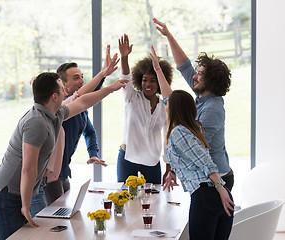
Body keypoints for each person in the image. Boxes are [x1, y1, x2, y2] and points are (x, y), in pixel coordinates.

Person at [0, 72, 128, 240]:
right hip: (6, 197)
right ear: (54, 96)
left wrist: (110, 89)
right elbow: (28, 168)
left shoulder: (54, 114)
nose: (66, 93)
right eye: (62, 89)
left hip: (19, 194)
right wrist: (26, 205)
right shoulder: (36, 122)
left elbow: (82, 103)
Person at [30, 46, 117, 217]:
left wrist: (93, 153)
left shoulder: (79, 111)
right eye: (76, 78)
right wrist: (103, 75)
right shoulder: (59, 110)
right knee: (56, 219)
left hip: (63, 173)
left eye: (83, 77)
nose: (82, 81)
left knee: (69, 215)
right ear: (63, 85)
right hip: (49, 176)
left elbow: (90, 132)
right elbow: (82, 95)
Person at [154, 18, 235, 191]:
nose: (194, 77)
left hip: (218, 178)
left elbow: (195, 145)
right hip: (207, 176)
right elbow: (184, 66)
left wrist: (174, 169)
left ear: (211, 81)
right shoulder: (201, 94)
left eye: (200, 74)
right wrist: (168, 35)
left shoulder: (212, 108)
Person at [165, 90, 234, 239]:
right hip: (218, 195)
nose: (165, 107)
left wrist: (220, 187)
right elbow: (190, 159)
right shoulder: (194, 128)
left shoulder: (179, 132)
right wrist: (172, 173)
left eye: (167, 104)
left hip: (206, 195)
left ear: (173, 108)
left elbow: (204, 160)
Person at [117, 34, 173, 184]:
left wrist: (168, 167)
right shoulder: (131, 97)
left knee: (154, 200)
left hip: (151, 161)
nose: (148, 84)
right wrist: (124, 58)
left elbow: (167, 139)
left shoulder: (164, 107)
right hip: (127, 158)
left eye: (153, 80)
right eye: (144, 80)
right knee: (125, 199)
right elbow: (125, 76)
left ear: (160, 82)